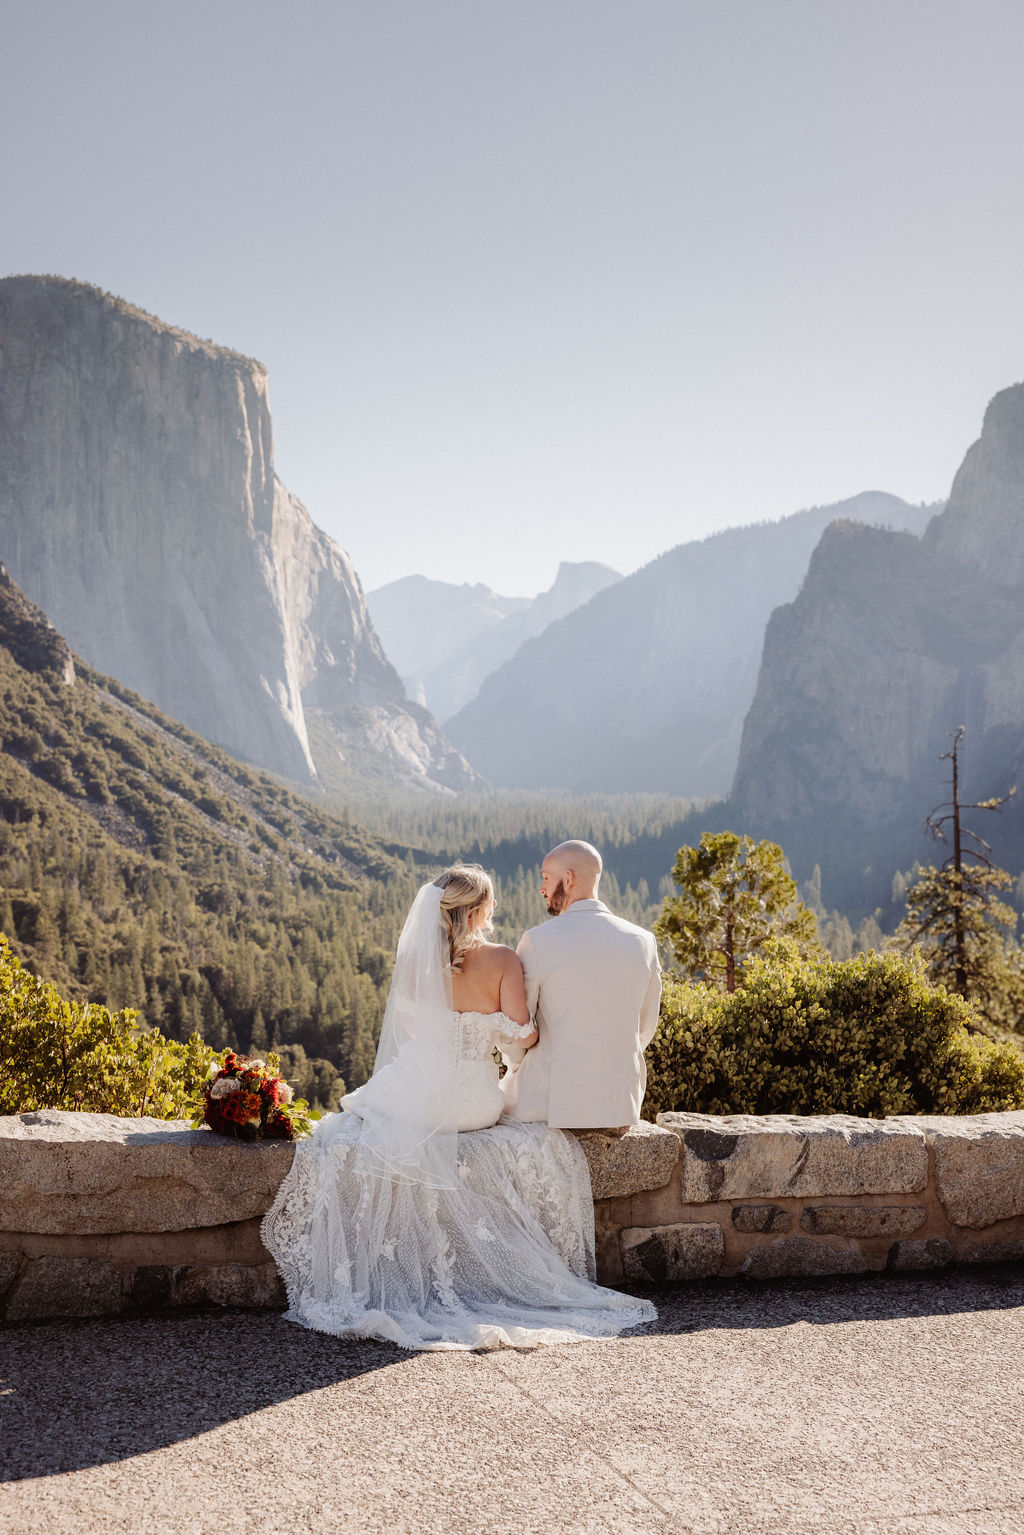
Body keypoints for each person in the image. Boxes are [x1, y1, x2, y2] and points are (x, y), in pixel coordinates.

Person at [261, 864, 656, 1351]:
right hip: (475, 1106)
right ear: (481, 909)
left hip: (422, 1099)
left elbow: (410, 1032)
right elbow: (523, 1034)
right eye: (491, 904)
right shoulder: (504, 960)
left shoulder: (414, 958)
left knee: (354, 1116)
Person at [501, 841, 662, 1130]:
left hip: (549, 1103)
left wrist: (512, 1068)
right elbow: (645, 1026)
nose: (542, 888)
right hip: (619, 1103)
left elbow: (518, 1030)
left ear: (570, 878)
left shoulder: (537, 941)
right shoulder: (643, 941)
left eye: (546, 877)